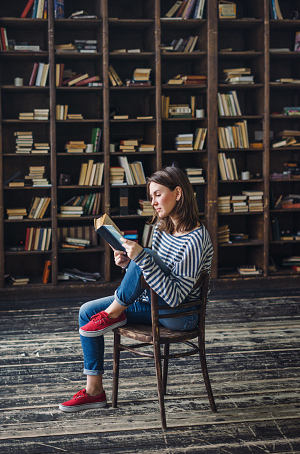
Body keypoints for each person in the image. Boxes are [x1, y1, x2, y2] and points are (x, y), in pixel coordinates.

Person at [59, 166, 213, 412]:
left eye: (157, 194)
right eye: (151, 196)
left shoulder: (196, 239)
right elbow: (154, 274)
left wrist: (142, 258)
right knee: (87, 311)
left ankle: (111, 314)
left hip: (180, 315)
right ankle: (94, 392)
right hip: (153, 303)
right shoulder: (162, 229)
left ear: (178, 193)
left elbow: (175, 297)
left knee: (146, 255)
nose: (153, 202)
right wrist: (129, 264)